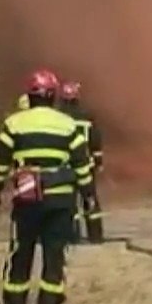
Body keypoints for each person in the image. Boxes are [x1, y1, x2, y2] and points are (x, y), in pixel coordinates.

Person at [0, 68, 96, 304]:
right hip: (61, 201)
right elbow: (82, 166)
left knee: (21, 250)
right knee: (54, 253)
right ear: (53, 96)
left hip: (27, 199)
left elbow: (0, 163)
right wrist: (88, 195)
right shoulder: (67, 125)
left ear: (30, 95)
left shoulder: (14, 123)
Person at [58, 80, 106, 244]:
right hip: (87, 165)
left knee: (68, 200)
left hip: (65, 166)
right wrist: (98, 160)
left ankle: (72, 235)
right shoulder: (87, 115)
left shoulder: (57, 117)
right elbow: (95, 139)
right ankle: (96, 235)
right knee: (90, 199)